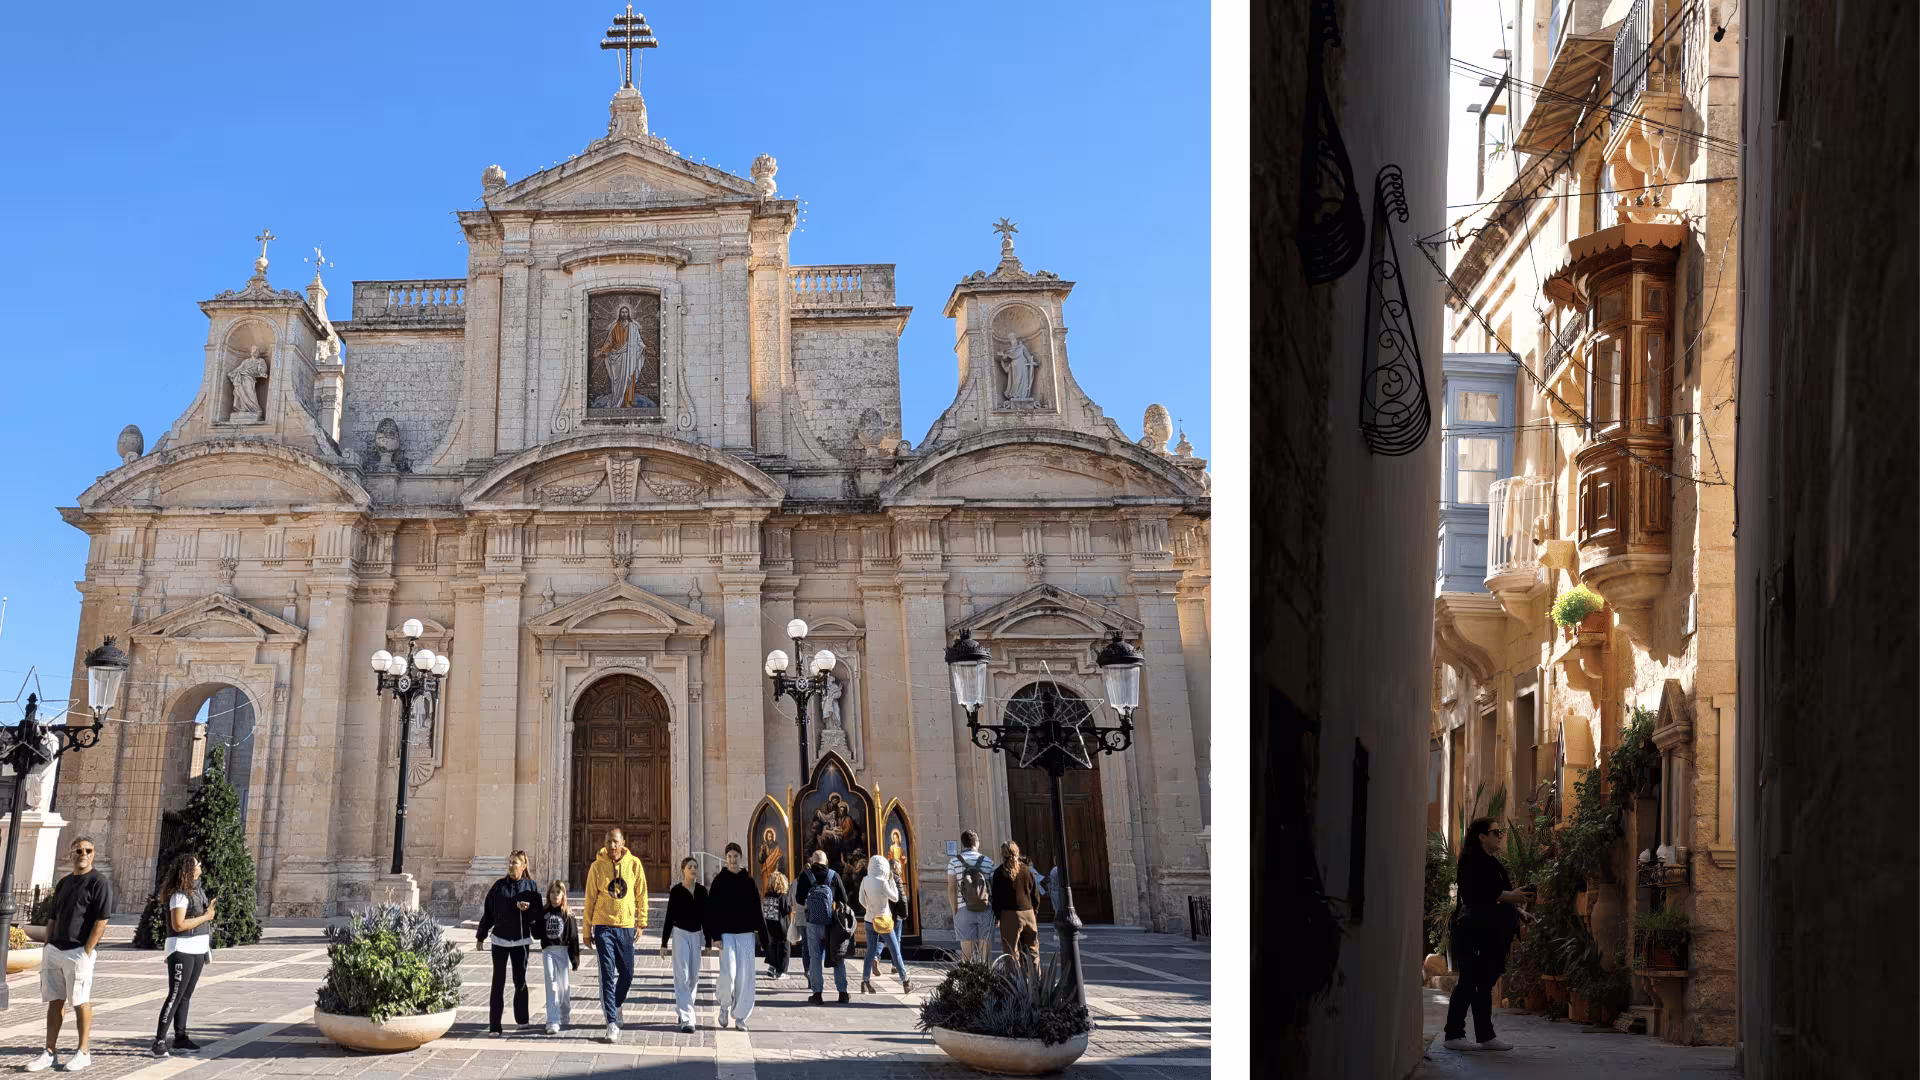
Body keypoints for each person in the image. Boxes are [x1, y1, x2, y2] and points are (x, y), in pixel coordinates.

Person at [1443, 817, 1532, 1052]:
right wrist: (1512, 896)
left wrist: (1519, 910)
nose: (1500, 836)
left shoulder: (1491, 861)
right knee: (1469, 980)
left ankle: (1485, 1036)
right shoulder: (1472, 859)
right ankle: (1453, 1034)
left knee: (1483, 983)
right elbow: (1479, 895)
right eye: (1496, 832)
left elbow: (1497, 896)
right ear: (1482, 836)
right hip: (1473, 930)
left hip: (1491, 930)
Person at [28, 836, 113, 1074]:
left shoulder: (99, 882)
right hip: (55, 950)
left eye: (88, 850)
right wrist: (47, 945)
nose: (83, 854)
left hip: (78, 951)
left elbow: (102, 920)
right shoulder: (64, 883)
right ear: (71, 854)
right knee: (55, 1002)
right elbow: (53, 916)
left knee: (80, 1001)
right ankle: (49, 1052)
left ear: (93, 854)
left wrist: (87, 951)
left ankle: (83, 1052)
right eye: (78, 850)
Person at [148, 852, 215, 1059]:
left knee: (186, 995)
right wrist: (206, 916)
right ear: (188, 870)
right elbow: (178, 925)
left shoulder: (197, 891)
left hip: (197, 947)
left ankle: (181, 1037)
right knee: (175, 995)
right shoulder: (179, 895)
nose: (201, 868)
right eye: (197, 865)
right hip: (182, 948)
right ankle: (159, 1041)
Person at [584, 828, 648, 1043]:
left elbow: (641, 894)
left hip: (626, 926)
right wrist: (586, 930)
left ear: (623, 843)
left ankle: (617, 1004)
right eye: (608, 842)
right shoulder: (596, 867)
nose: (612, 846)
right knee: (607, 974)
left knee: (628, 974)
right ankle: (611, 1021)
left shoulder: (634, 864)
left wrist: (641, 921)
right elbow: (590, 899)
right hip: (603, 927)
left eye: (615, 842)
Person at [477, 850, 543, 1036]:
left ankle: (522, 1019)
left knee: (520, 981)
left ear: (523, 866)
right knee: (498, 982)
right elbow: (489, 912)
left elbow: (537, 914)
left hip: (521, 941)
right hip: (500, 940)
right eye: (510, 862)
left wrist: (528, 911)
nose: (511, 865)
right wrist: (481, 934)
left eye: (515, 863)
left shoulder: (531, 887)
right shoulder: (498, 887)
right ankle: (495, 1026)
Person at [706, 843, 762, 1030]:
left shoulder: (749, 881)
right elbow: (711, 910)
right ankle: (724, 1005)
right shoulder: (719, 881)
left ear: (741, 857)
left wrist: (764, 936)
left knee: (745, 977)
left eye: (735, 856)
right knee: (728, 973)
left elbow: (756, 910)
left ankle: (740, 1016)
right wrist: (714, 936)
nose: (732, 859)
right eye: (729, 856)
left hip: (746, 935)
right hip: (726, 934)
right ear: (725, 858)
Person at [660, 857, 711, 1033]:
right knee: (681, 975)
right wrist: (664, 942)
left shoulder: (703, 891)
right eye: (690, 867)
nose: (693, 869)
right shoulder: (676, 891)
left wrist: (709, 942)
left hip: (696, 935)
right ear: (683, 869)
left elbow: (707, 917)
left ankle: (683, 1010)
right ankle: (688, 1018)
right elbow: (669, 916)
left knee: (694, 976)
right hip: (680, 933)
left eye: (695, 867)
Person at [794, 850, 851, 1004]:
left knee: (815, 958)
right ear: (826, 862)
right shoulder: (834, 876)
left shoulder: (806, 875)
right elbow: (844, 899)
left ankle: (817, 994)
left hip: (812, 923)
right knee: (837, 956)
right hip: (831, 925)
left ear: (812, 861)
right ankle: (843, 993)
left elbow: (799, 899)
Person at [858, 855, 912, 995]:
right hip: (884, 919)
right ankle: (905, 980)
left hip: (869, 919)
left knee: (870, 951)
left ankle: (865, 982)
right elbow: (895, 897)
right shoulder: (883, 881)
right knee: (894, 949)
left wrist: (870, 910)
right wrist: (891, 881)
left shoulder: (865, 880)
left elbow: (861, 900)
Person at [537, 880, 580, 1035]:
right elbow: (536, 934)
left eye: (558, 892)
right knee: (551, 984)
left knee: (563, 988)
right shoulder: (543, 913)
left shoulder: (568, 915)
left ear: (563, 895)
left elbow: (573, 938)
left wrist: (575, 959)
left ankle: (564, 1011)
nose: (555, 895)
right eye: (552, 892)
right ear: (548, 895)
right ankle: (552, 1020)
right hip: (548, 951)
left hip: (562, 951)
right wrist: (533, 920)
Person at [946, 831, 996, 965]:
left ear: (963, 844)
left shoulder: (954, 861)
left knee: (966, 955)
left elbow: (951, 888)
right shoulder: (987, 861)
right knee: (985, 955)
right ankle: (985, 983)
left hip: (964, 909)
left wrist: (954, 910)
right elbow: (994, 887)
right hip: (985, 909)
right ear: (976, 842)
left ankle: (967, 984)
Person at [990, 841, 1040, 972]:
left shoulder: (999, 873)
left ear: (1002, 854)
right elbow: (1035, 895)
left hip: (1009, 915)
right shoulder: (1027, 871)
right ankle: (1036, 982)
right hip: (1028, 913)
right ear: (1017, 852)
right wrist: (1034, 912)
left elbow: (996, 898)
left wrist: (997, 917)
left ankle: (1015, 984)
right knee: (1033, 951)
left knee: (1011, 953)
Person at [761, 870, 792, 979]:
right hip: (782, 926)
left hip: (770, 925)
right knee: (784, 947)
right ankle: (781, 971)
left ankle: (771, 967)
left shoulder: (767, 895)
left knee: (773, 945)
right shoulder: (782, 896)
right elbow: (786, 910)